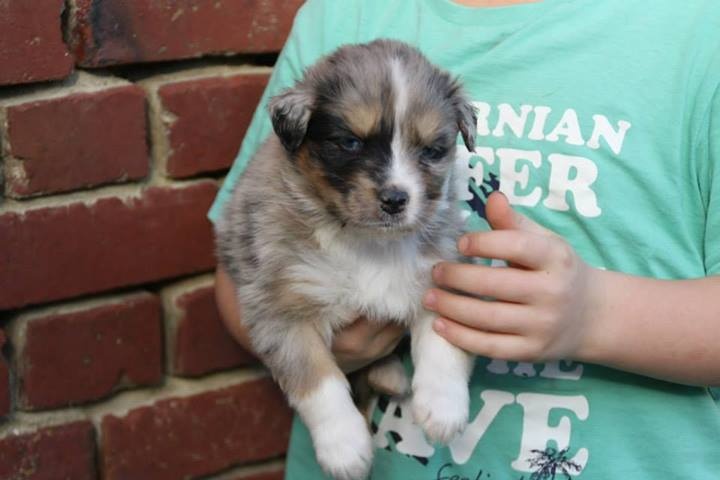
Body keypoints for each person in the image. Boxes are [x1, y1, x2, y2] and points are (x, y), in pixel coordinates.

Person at [210, 0, 720, 478]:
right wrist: (323, 363)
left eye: (431, 151)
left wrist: (594, 315)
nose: (395, 186)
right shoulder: (340, 14)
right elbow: (242, 284)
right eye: (348, 144)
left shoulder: (698, 34)